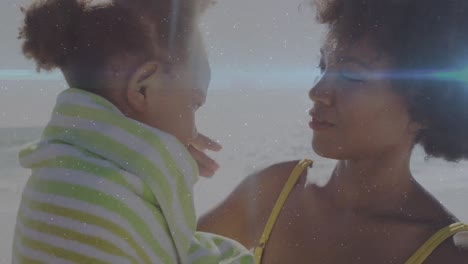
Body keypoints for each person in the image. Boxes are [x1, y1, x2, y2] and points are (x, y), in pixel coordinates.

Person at [197, 0, 468, 263]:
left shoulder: (447, 253)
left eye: (351, 76)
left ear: (425, 107)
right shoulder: (274, 192)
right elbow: (162, 253)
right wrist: (160, 160)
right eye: (324, 67)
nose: (316, 92)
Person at [12, 0, 253, 263]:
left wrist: (155, 161)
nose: (193, 130)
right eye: (193, 103)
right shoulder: (100, 205)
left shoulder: (63, 171)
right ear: (142, 88)